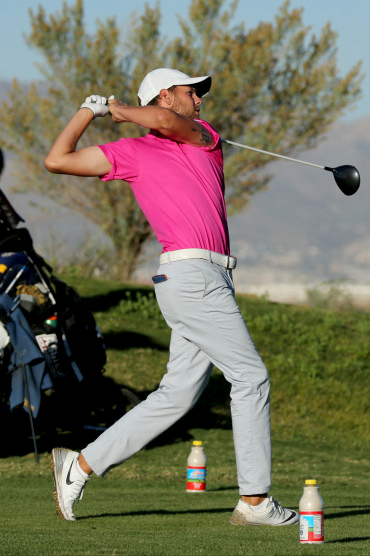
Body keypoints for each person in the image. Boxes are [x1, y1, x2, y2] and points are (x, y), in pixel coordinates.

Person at [44, 68, 298, 527]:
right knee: (251, 377)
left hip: (205, 278)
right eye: (191, 91)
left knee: (177, 395)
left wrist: (116, 110)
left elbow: (171, 124)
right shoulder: (133, 153)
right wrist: (88, 109)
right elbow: (57, 160)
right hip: (192, 275)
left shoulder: (203, 137)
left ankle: (79, 466)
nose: (199, 99)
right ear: (165, 94)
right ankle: (255, 501)